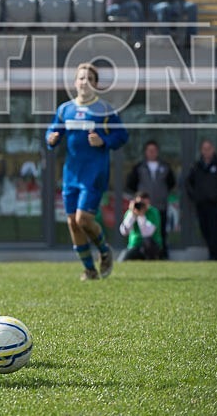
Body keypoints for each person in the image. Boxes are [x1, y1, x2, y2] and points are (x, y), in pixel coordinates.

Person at [46, 63, 128, 280]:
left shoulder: (105, 110)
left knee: (83, 219)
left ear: (96, 84)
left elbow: (122, 136)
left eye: (89, 79)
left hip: (94, 173)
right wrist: (51, 139)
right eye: (81, 78)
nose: (85, 82)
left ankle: (104, 250)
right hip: (71, 174)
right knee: (72, 222)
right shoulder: (65, 110)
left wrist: (104, 141)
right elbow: (53, 130)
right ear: (75, 82)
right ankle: (90, 270)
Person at [125, 140, 175, 258]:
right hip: (143, 208)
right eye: (149, 150)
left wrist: (161, 194)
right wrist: (141, 199)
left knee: (161, 232)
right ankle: (139, 252)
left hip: (160, 205)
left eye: (154, 150)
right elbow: (131, 183)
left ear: (157, 152)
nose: (152, 153)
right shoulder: (139, 167)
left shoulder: (165, 167)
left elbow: (171, 183)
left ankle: (162, 255)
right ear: (145, 152)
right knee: (141, 230)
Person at [185, 140, 217, 261]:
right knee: (204, 229)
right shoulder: (196, 166)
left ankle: (215, 255)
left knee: (215, 230)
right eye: (204, 149)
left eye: (209, 148)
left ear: (213, 149)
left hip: (215, 204)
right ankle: (212, 253)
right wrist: (195, 196)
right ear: (201, 151)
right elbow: (188, 183)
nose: (207, 151)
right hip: (201, 204)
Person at [119, 192, 163, 261]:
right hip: (134, 245)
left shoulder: (153, 212)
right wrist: (132, 215)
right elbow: (124, 232)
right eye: (139, 203)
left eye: (143, 204)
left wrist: (141, 216)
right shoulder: (130, 213)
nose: (141, 206)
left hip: (151, 246)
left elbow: (147, 234)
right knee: (123, 258)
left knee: (148, 243)